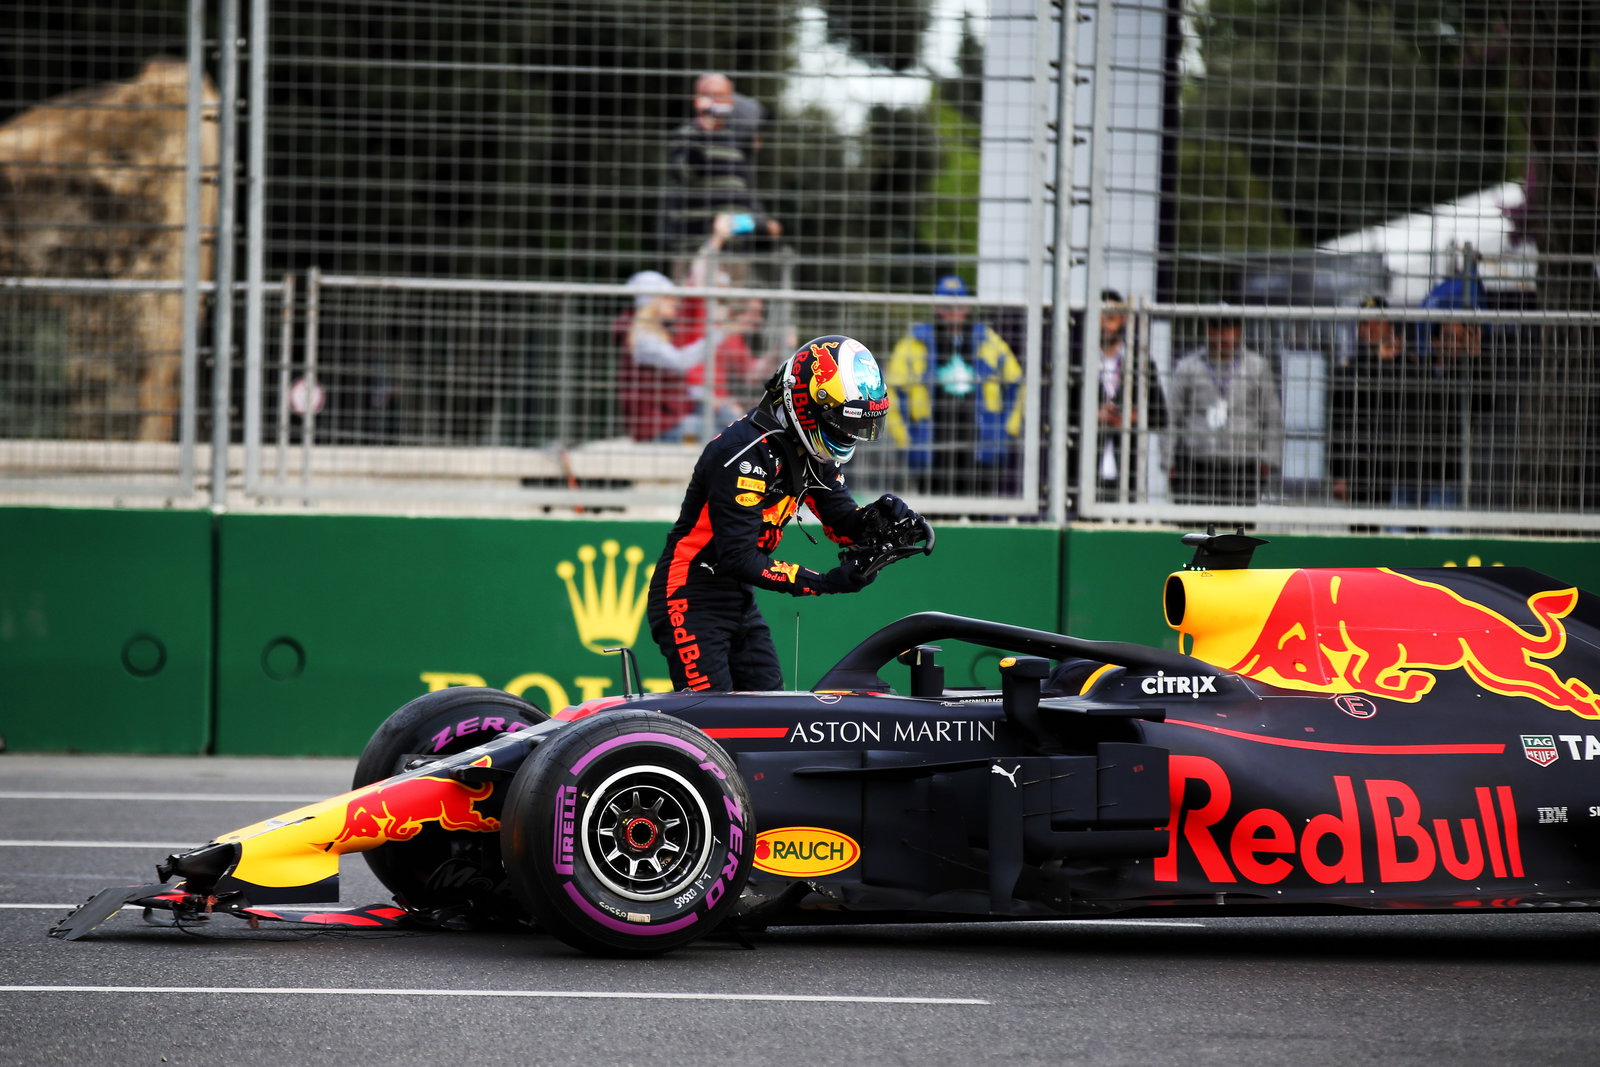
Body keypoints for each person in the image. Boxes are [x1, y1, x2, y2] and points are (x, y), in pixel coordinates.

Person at [645, 335, 922, 692]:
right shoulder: (744, 454)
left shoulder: (812, 450)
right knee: (711, 721)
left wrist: (886, 519)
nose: (848, 434)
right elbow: (739, 557)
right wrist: (824, 582)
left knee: (768, 714)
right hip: (688, 595)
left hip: (738, 598)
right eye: (840, 422)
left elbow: (841, 521)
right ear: (805, 402)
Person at [884, 274, 1025, 496]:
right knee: (933, 515)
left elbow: (1016, 384)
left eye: (959, 304)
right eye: (946, 305)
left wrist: (1006, 430)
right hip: (929, 445)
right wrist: (905, 439)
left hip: (981, 446)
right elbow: (891, 392)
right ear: (936, 307)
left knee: (980, 513)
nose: (953, 311)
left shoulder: (987, 339)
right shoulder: (915, 342)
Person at [617, 214, 745, 442]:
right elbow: (681, 361)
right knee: (728, 434)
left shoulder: (659, 332)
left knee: (731, 421)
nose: (674, 302)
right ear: (653, 301)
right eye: (668, 297)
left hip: (675, 413)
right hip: (658, 425)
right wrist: (717, 238)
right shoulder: (644, 337)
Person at [1166, 312, 1284, 506]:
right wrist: (1169, 460)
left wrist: (1269, 460)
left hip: (1243, 464)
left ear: (1239, 331)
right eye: (1217, 328)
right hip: (1196, 463)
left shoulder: (1257, 367)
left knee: (1236, 532)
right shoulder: (1188, 367)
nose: (1223, 335)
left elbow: (1272, 415)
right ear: (1208, 330)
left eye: (1229, 328)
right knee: (1194, 529)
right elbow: (1172, 415)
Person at [660, 73, 781, 258]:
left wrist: (760, 223)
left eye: (722, 95)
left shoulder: (735, 142)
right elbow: (683, 175)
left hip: (735, 250)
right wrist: (703, 134)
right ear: (697, 101)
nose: (717, 100)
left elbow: (745, 193)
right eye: (710, 95)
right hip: (695, 246)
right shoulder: (687, 136)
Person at [1327, 295, 1408, 509]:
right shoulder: (1348, 371)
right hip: (1360, 471)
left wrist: (1387, 362)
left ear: (1390, 326)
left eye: (1377, 321)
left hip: (1400, 472)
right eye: (1365, 323)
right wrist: (1339, 476)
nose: (1371, 328)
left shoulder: (1407, 366)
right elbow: (1338, 425)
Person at [1091, 289, 1167, 500]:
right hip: (1084, 474)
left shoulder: (1140, 363)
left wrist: (1132, 417)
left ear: (1123, 319)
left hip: (1128, 473)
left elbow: (1160, 416)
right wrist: (1095, 416)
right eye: (1099, 318)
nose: (1105, 324)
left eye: (1110, 317)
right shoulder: (1077, 361)